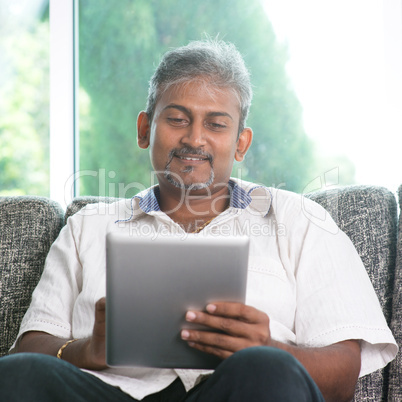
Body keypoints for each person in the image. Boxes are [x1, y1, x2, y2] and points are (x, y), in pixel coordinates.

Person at [0, 39, 397, 402]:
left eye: (216, 124)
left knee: (268, 369)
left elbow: (344, 375)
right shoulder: (87, 227)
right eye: (177, 119)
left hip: (239, 391)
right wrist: (88, 350)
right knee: (15, 375)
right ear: (144, 130)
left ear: (240, 142)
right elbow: (30, 350)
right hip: (111, 393)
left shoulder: (301, 220)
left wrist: (272, 349)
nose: (194, 138)